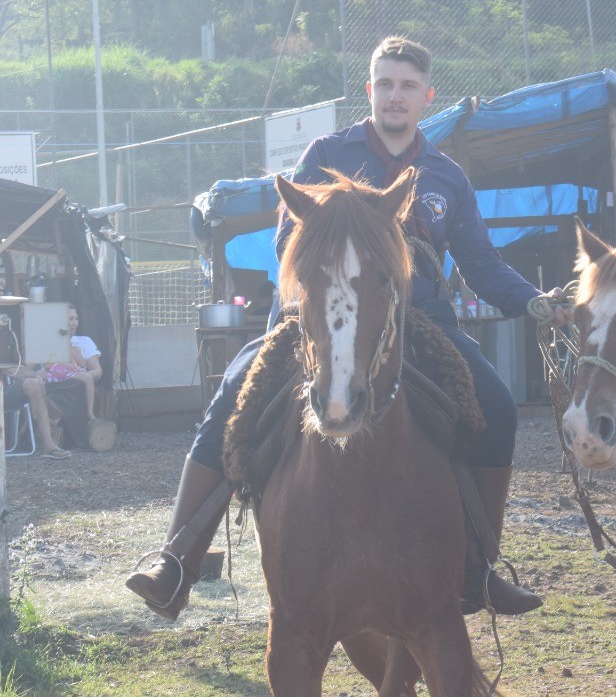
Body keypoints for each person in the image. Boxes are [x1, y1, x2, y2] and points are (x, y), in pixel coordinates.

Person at [127, 36, 545, 620]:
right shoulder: (326, 154)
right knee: (234, 393)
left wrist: (537, 302)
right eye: (383, 84)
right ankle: (176, 562)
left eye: (406, 87)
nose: (393, 96)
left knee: (498, 405)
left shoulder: (447, 176)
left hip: (420, 323)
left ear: (427, 96)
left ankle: (479, 569)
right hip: (320, 321)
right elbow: (284, 240)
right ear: (369, 90)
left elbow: (481, 262)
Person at [2, 365, 72, 459]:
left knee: (33, 384)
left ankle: (48, 445)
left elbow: (13, 371)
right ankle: (51, 409)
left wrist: (34, 374)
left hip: (4, 394)